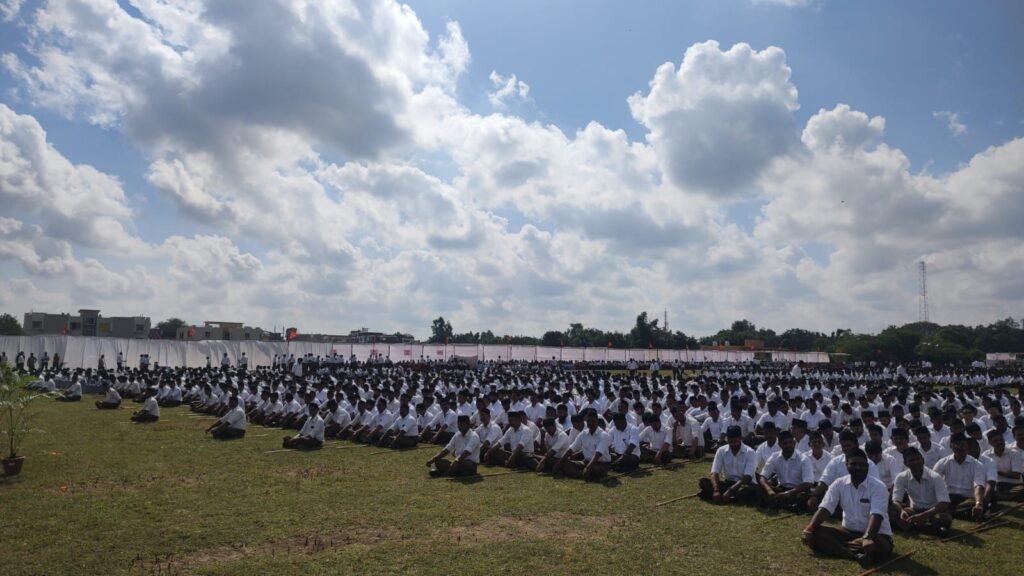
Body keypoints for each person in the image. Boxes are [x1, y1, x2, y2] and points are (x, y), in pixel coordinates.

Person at [802, 448, 895, 564]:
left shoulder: (878, 486)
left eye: (862, 464)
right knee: (815, 533)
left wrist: (868, 538)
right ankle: (853, 553)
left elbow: (877, 515)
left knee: (880, 545)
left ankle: (840, 548)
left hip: (875, 535)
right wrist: (809, 529)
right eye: (854, 464)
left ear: (867, 466)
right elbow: (825, 509)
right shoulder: (838, 483)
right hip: (848, 532)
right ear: (847, 465)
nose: (858, 467)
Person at [890, 447, 952, 533]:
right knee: (892, 513)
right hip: (914, 510)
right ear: (905, 463)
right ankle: (928, 528)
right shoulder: (901, 477)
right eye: (911, 460)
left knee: (942, 519)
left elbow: (944, 503)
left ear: (922, 460)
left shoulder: (935, 477)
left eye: (917, 459)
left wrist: (923, 516)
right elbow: (896, 501)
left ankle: (916, 527)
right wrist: (902, 511)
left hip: (933, 511)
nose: (915, 462)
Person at [932, 433, 986, 520]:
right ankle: (953, 512)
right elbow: (933, 480)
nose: (959, 447)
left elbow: (979, 486)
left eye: (962, 445)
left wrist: (978, 504)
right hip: (948, 497)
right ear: (951, 446)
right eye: (956, 444)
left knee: (973, 505)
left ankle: (949, 512)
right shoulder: (943, 462)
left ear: (967, 446)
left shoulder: (977, 465)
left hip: (967, 499)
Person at [699, 425, 757, 504]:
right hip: (728, 483)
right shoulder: (721, 451)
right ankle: (729, 497)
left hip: (743, 484)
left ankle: (729, 497)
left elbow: (747, 477)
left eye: (735, 441)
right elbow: (714, 472)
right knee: (703, 482)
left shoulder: (750, 452)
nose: (733, 443)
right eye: (730, 441)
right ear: (727, 439)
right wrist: (716, 490)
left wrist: (730, 491)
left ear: (740, 438)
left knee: (744, 491)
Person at [758, 431, 811, 510]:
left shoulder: (804, 459)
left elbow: (807, 483)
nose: (788, 445)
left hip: (797, 490)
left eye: (790, 442)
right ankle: (786, 505)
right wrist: (769, 490)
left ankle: (778, 504)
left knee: (802, 496)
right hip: (781, 489)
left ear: (794, 443)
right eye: (785, 443)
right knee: (761, 487)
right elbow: (763, 477)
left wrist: (787, 494)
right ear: (779, 445)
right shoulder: (774, 456)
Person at [559, 410, 612, 481]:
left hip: (601, 464)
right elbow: (571, 448)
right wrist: (559, 462)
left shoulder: (604, 435)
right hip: (586, 462)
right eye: (588, 421)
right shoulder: (583, 434)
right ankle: (582, 474)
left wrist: (588, 467)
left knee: (593, 469)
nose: (590, 423)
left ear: (597, 421)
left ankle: (581, 473)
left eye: (592, 421)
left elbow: (597, 455)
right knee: (565, 462)